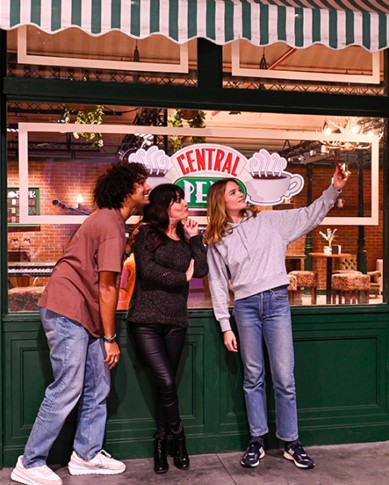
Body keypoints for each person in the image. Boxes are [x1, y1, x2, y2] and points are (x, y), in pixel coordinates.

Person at [11, 161, 150, 485]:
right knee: (68, 386)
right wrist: (110, 337)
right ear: (127, 187)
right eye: (142, 182)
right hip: (69, 312)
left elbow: (98, 268)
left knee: (98, 384)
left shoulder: (110, 221)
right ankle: (30, 462)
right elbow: (107, 286)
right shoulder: (111, 222)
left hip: (82, 315)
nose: (148, 187)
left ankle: (86, 453)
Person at [204, 165, 348, 470]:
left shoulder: (269, 221)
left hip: (276, 302)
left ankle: (291, 442)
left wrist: (334, 189)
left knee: (284, 377)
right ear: (221, 202)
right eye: (233, 192)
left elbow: (310, 214)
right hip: (244, 307)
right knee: (253, 376)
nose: (240, 194)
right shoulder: (216, 239)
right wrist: (224, 325)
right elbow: (217, 284)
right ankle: (256, 439)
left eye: (240, 189)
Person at [127, 184, 208, 474]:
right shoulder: (147, 233)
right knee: (167, 382)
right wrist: (181, 278)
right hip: (145, 319)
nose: (184, 203)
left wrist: (196, 238)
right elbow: (147, 271)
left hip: (175, 321)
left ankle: (161, 442)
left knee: (166, 384)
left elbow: (200, 270)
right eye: (178, 200)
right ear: (164, 205)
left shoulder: (185, 240)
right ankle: (179, 438)